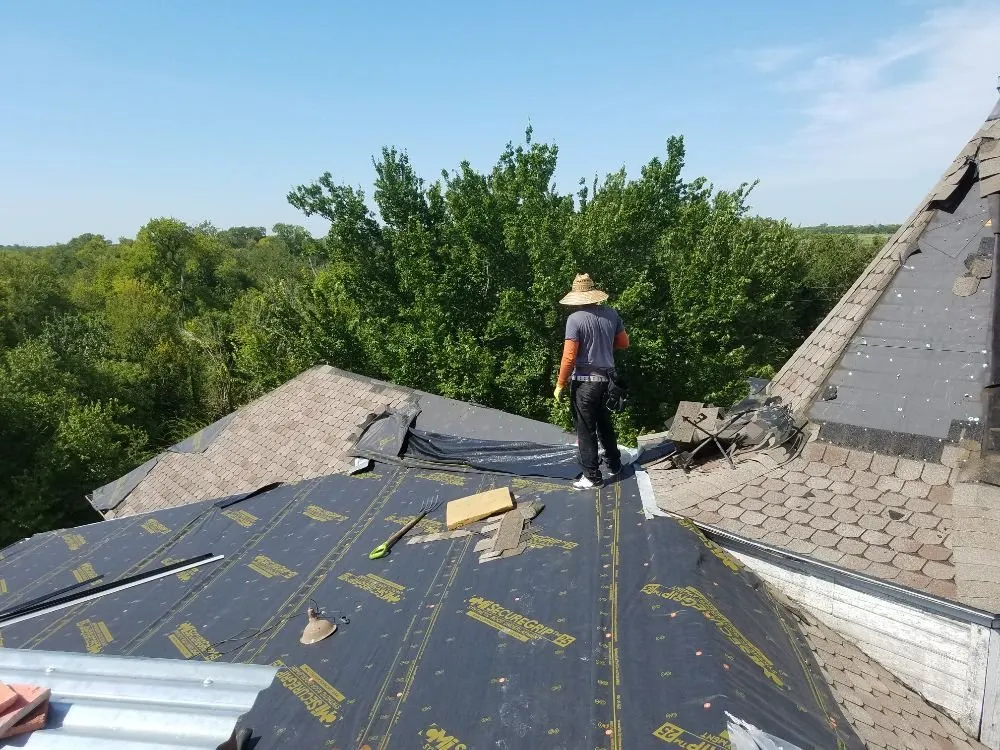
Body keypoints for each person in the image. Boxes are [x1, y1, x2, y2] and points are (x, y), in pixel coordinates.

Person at [553, 273, 630, 489]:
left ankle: (592, 477)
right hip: (607, 381)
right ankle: (615, 465)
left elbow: (569, 356)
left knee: (586, 429)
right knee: (605, 424)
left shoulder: (575, 320)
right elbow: (624, 343)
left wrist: (560, 384)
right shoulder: (611, 314)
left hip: (585, 382)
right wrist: (604, 348)